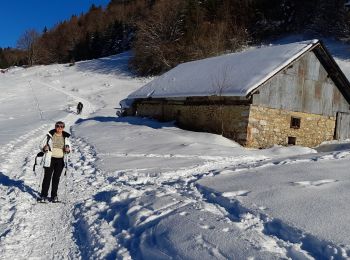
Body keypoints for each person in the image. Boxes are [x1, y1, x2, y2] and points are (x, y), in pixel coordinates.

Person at [38, 121, 71, 202]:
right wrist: (44, 148)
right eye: (58, 126)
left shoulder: (65, 137)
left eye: (61, 126)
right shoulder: (49, 135)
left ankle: (54, 196)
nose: (59, 128)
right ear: (55, 126)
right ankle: (43, 196)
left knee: (56, 178)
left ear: (63, 128)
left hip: (60, 160)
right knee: (47, 178)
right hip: (50, 159)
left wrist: (68, 150)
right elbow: (41, 145)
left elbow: (70, 148)